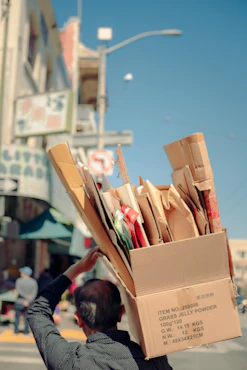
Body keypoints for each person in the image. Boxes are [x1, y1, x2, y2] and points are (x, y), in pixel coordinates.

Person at [27, 248, 173, 370]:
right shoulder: (154, 361)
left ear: (79, 319)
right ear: (120, 313)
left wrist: (77, 269)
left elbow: (38, 311)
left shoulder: (69, 361)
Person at [14, 266, 38, 335]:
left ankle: (16, 331)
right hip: (29, 302)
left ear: (24, 273)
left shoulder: (19, 281)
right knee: (27, 318)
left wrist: (25, 298)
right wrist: (28, 300)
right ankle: (26, 332)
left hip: (19, 301)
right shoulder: (33, 282)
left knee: (17, 317)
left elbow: (19, 291)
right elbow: (34, 293)